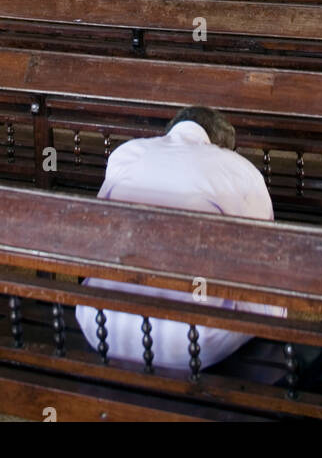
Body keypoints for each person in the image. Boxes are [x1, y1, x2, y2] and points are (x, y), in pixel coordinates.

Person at [75, 107, 283, 373]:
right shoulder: (239, 169)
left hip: (100, 323)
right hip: (198, 338)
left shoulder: (127, 155)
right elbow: (264, 253)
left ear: (171, 128)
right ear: (220, 145)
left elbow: (98, 231)